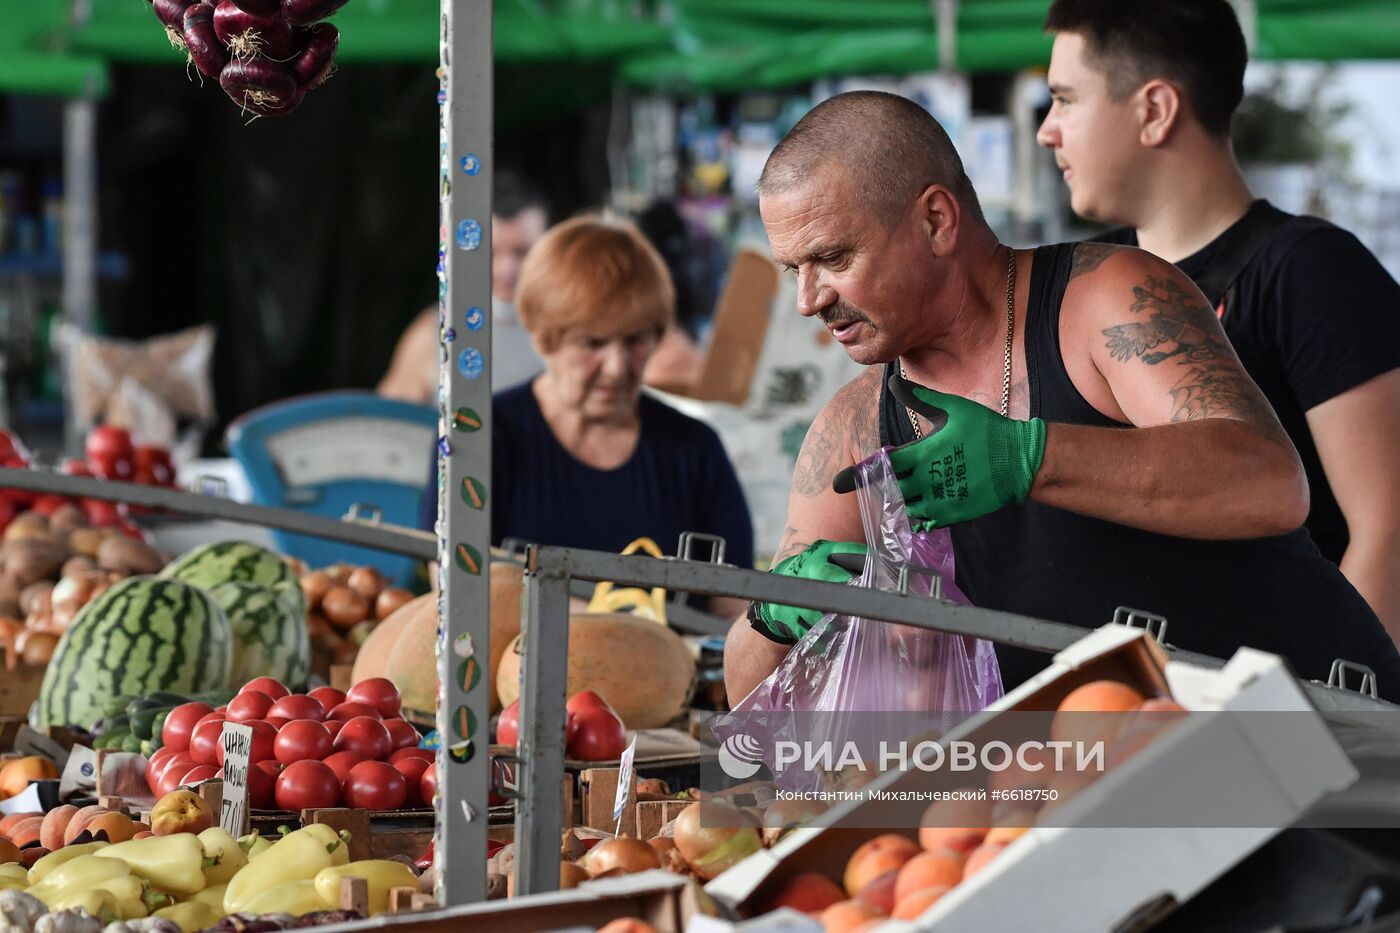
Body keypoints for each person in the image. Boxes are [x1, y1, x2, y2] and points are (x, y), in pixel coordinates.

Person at [723, 90, 1400, 704]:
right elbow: (748, 696)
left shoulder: (1107, 298)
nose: (810, 299)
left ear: (935, 219)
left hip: (1312, 735)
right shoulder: (853, 427)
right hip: (1105, 787)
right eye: (794, 269)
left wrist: (1030, 455)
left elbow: (1271, 484)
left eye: (834, 258)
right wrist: (776, 614)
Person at [1037, 0, 1400, 644]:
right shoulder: (1077, 281)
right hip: (1120, 698)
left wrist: (1334, 724)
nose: (1047, 131)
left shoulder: (1309, 271)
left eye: (1066, 100)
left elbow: (1389, 532)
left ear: (1154, 110)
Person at [419, 214, 754, 616]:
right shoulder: (479, 439)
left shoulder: (695, 451)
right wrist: (618, 629)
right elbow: (460, 591)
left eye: (635, 340)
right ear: (545, 336)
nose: (616, 366)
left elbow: (734, 610)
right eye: (591, 342)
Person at [377, 169, 549, 400]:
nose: (506, 270)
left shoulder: (574, 328)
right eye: (491, 252)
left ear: (548, 248)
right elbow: (391, 430)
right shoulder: (431, 334)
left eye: (522, 252)